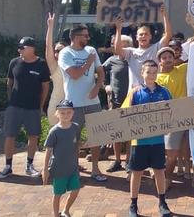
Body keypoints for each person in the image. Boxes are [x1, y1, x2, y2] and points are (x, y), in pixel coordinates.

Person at [122, 60, 172, 217]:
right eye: (148, 72)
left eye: (154, 72)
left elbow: (175, 112)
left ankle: (162, 202)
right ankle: (133, 204)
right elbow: (124, 114)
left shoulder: (164, 92)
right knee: (136, 173)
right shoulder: (135, 92)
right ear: (142, 73)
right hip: (139, 141)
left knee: (159, 171)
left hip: (157, 140)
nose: (151, 75)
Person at [58, 24, 107, 182]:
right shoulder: (65, 53)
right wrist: (88, 62)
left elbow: (100, 72)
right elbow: (74, 74)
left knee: (96, 136)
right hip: (74, 103)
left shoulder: (91, 50)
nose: (88, 38)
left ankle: (95, 168)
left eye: (88, 35)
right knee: (74, 138)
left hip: (93, 102)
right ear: (75, 37)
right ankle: (73, 169)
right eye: (85, 36)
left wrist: (97, 87)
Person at [0, 37, 51, 179]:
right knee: (10, 135)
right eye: (19, 48)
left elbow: (45, 86)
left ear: (31, 48)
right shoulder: (14, 62)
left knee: (33, 136)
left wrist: (40, 105)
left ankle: (29, 165)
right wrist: (11, 101)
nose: (19, 50)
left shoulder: (41, 64)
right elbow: (9, 82)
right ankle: (8, 166)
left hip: (33, 107)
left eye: (22, 47)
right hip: (14, 107)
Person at [114, 5, 172, 88]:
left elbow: (168, 35)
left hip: (154, 91)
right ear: (136, 37)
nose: (143, 36)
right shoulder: (131, 52)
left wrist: (164, 15)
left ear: (150, 37)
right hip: (135, 94)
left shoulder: (156, 48)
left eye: (146, 34)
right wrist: (118, 29)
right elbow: (117, 50)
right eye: (141, 34)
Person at [156, 47, 189, 190]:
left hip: (180, 117)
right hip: (160, 119)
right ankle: (161, 175)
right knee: (159, 151)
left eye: (170, 57)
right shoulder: (155, 78)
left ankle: (167, 177)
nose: (168, 59)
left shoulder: (183, 70)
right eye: (164, 58)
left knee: (172, 152)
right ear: (160, 62)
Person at [42, 99, 82, 217]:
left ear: (73, 113)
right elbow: (48, 150)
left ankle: (66, 210)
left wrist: (78, 159)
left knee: (76, 190)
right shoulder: (54, 131)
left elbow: (77, 144)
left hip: (73, 167)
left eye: (68, 112)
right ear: (57, 114)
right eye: (62, 113)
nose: (65, 115)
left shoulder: (76, 127)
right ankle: (55, 214)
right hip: (59, 168)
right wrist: (45, 169)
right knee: (57, 194)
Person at [103, 35, 132, 173]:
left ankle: (129, 161)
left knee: (131, 132)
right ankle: (117, 161)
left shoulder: (133, 60)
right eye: (118, 45)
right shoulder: (111, 60)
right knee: (116, 133)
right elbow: (99, 72)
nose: (121, 47)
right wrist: (105, 85)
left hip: (132, 101)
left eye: (124, 45)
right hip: (115, 101)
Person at [45, 13, 67, 125]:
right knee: (54, 135)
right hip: (56, 104)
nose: (58, 52)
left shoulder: (73, 66)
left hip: (71, 105)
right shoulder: (54, 66)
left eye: (62, 50)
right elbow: (48, 47)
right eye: (57, 50)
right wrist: (50, 26)